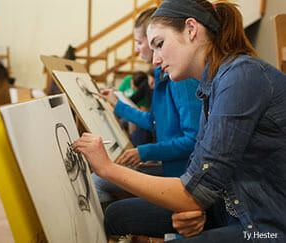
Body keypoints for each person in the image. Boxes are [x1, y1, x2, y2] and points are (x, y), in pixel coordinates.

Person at [73, 0, 286, 242]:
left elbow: (193, 191)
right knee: (117, 215)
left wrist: (107, 168)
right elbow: (198, 173)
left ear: (191, 29)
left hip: (265, 223)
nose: (154, 60)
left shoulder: (241, 76)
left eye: (159, 44)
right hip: (228, 204)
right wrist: (193, 209)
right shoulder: (211, 86)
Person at [91, 6, 202, 238]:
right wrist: (116, 104)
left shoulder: (179, 77)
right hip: (174, 168)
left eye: (142, 43)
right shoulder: (163, 75)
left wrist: (145, 151)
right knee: (107, 178)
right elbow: (153, 120)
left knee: (101, 182)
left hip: (181, 176)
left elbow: (192, 139)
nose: (137, 49)